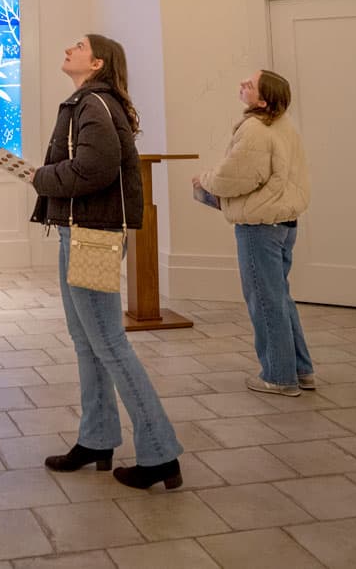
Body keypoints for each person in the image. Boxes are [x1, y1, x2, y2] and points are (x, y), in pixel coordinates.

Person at [31, 34, 183, 490]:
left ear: (96, 62)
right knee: (87, 340)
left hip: (91, 237)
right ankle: (97, 438)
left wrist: (39, 177)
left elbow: (96, 168)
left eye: (75, 45)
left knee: (109, 343)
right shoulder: (88, 101)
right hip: (79, 232)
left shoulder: (94, 102)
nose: (67, 48)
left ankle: (160, 452)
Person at [193, 69, 314, 396]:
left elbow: (234, 177)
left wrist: (203, 179)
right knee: (280, 298)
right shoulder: (284, 125)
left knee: (265, 300)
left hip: (260, 226)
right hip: (285, 223)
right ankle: (301, 370)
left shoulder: (255, 129)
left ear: (263, 100)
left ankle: (278, 376)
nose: (241, 84)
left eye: (250, 84)